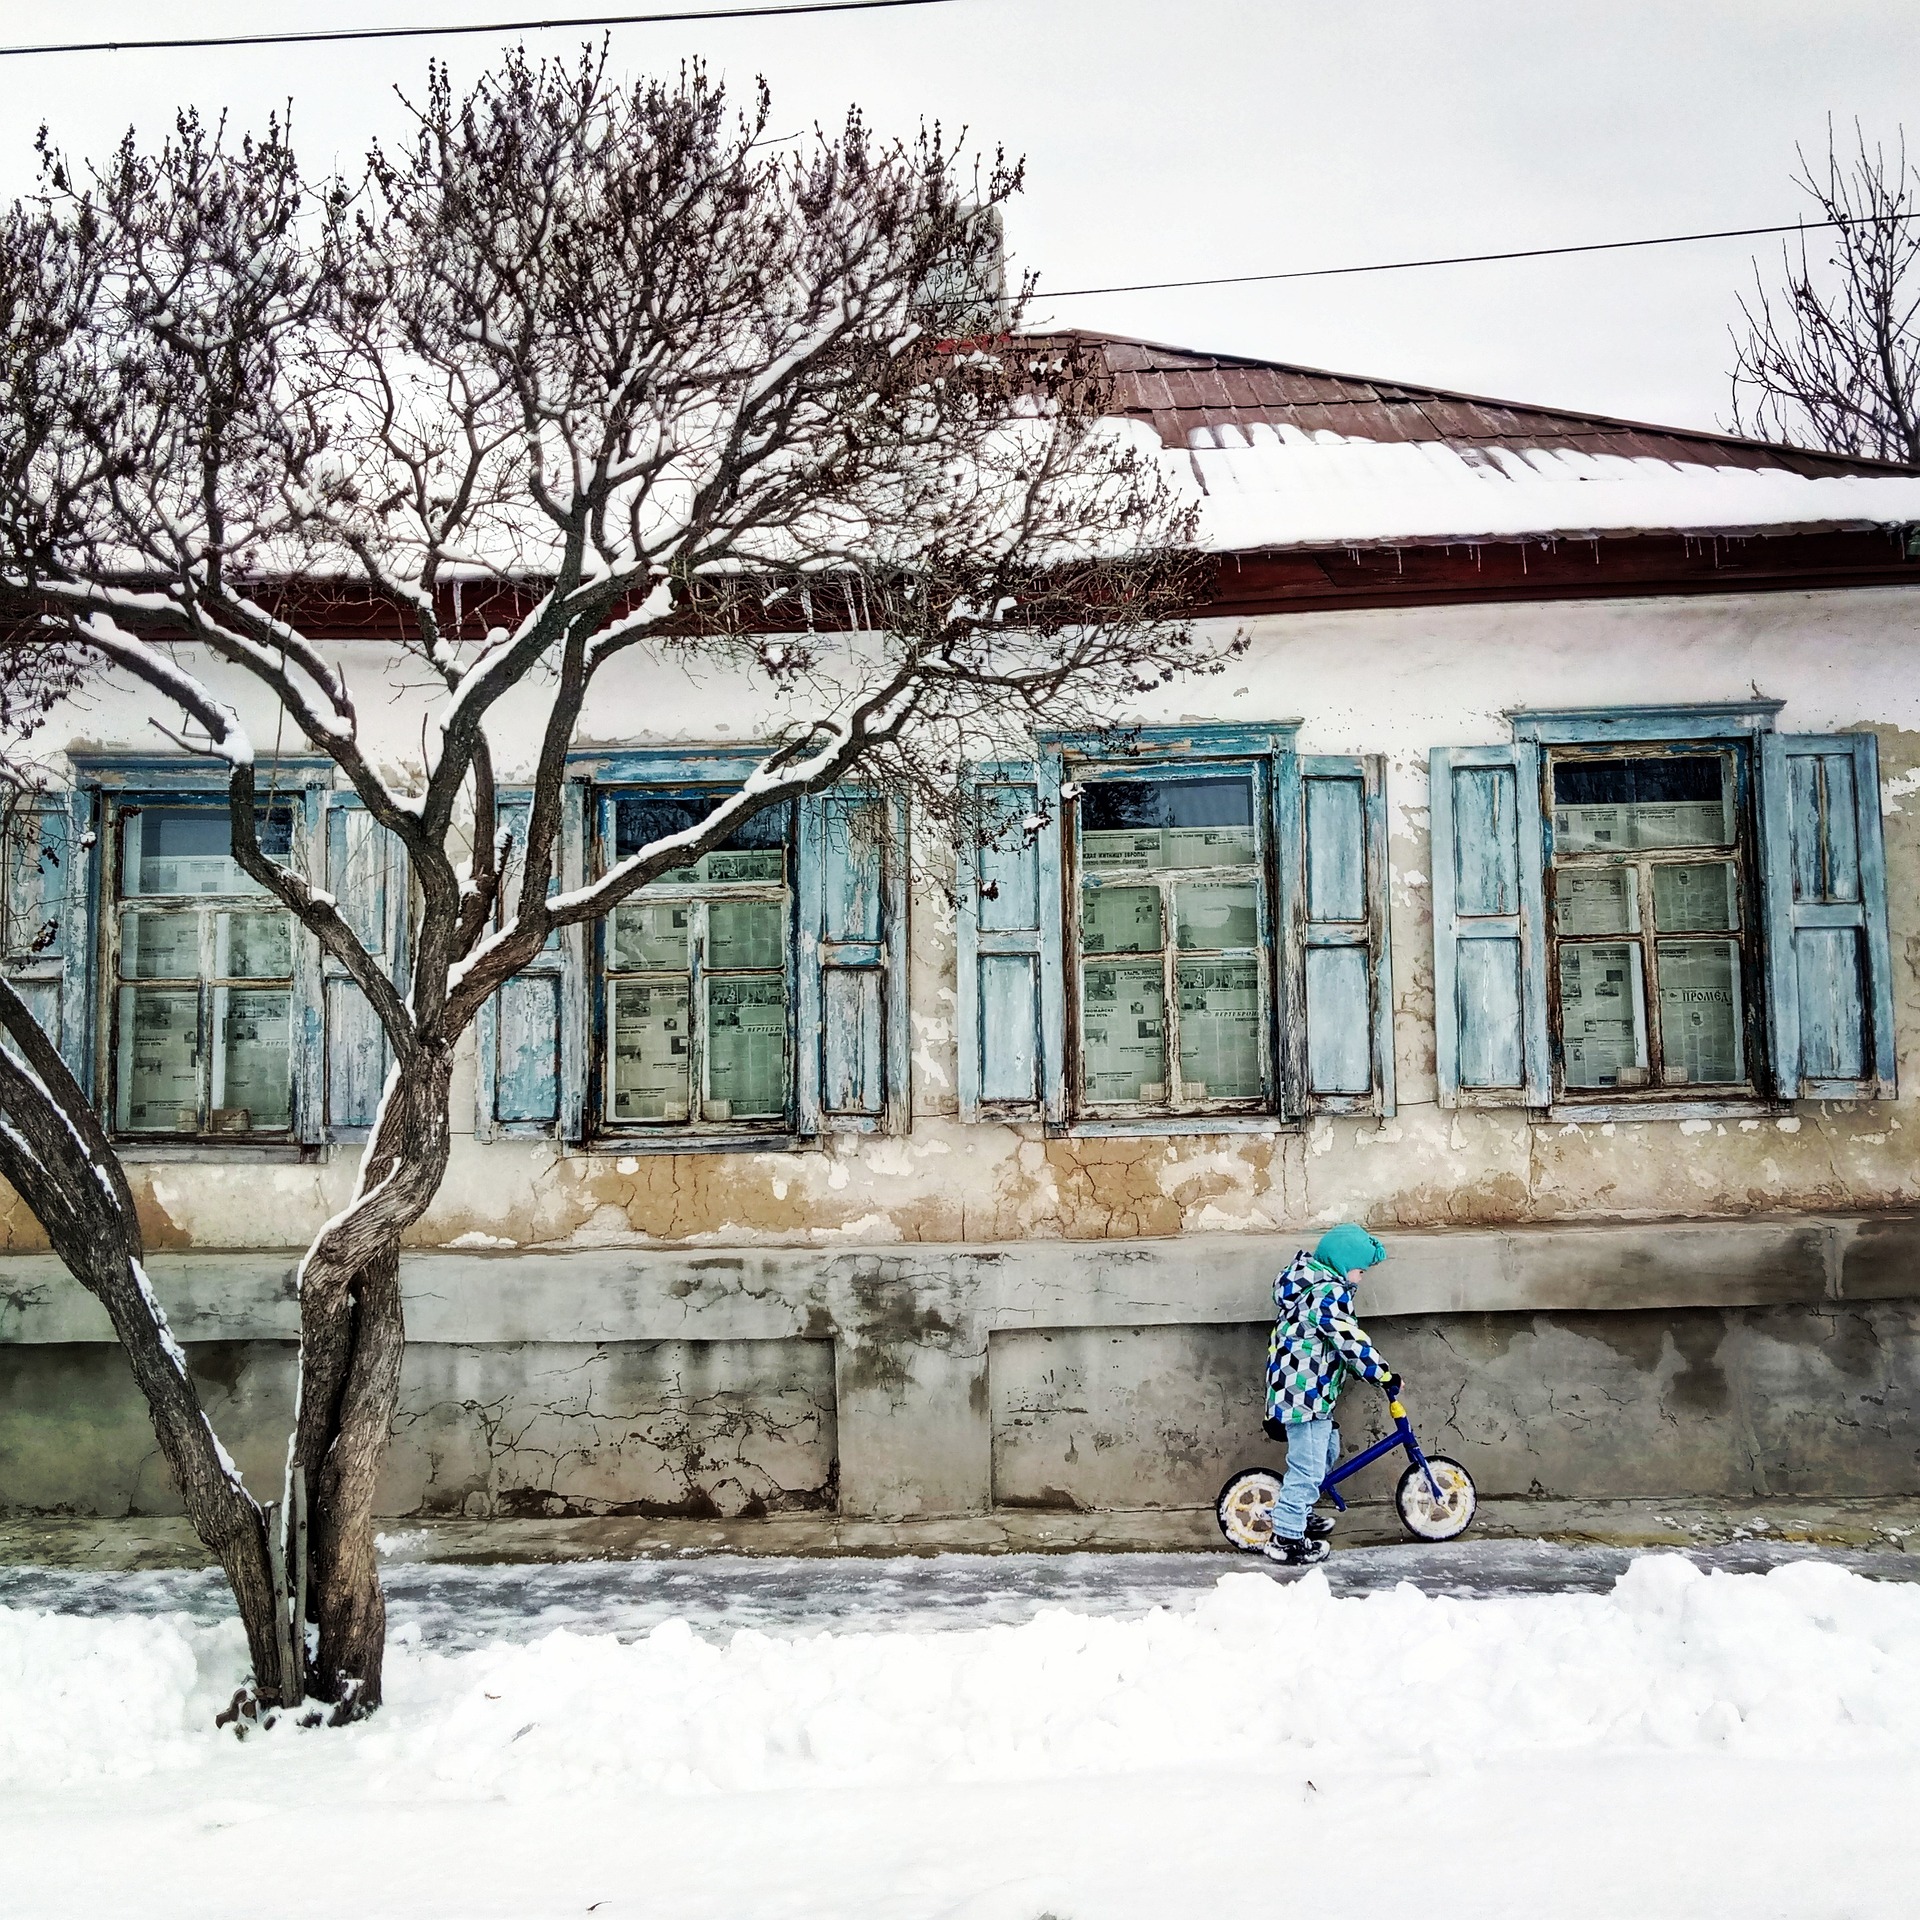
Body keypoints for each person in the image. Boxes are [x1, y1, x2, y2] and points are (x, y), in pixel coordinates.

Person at [1261, 1222, 1402, 1567]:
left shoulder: (1311, 1289)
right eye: (1360, 1271)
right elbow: (1348, 1340)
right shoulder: (1328, 1294)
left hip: (1305, 1393)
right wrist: (1381, 1374)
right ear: (1342, 1264)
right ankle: (1286, 1537)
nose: (1361, 1279)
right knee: (1308, 1469)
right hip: (1304, 1398)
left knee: (1326, 1451)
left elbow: (1330, 1344)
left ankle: (1299, 1512)